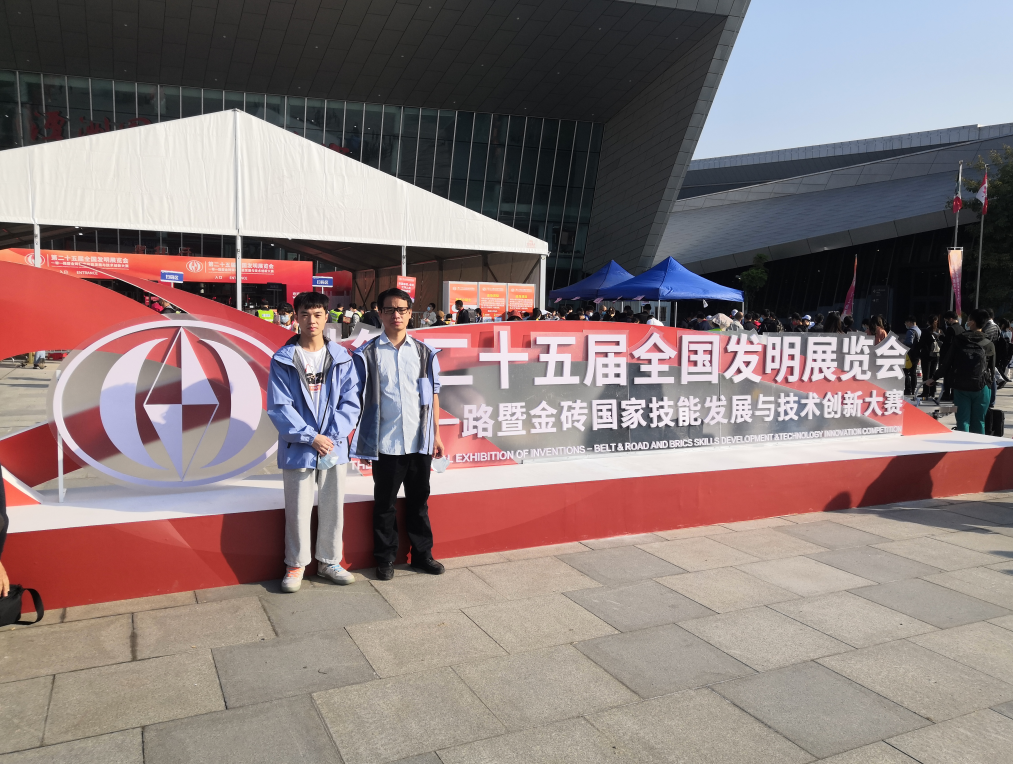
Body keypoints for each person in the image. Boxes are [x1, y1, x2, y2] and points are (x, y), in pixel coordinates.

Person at [267, 291, 362, 593]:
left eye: (318, 314)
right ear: (295, 317)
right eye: (305, 314)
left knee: (333, 507)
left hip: (333, 446)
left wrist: (330, 437)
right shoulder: (283, 359)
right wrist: (311, 437)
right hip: (299, 446)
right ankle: (296, 564)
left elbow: (351, 402)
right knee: (298, 509)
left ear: (326, 317)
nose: (312, 320)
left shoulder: (342, 358)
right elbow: (279, 407)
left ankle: (329, 561)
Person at [351, 287, 446, 581]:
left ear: (409, 313)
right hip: (386, 443)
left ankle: (422, 555)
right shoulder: (366, 354)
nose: (397, 315)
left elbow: (433, 395)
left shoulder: (424, 353)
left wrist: (437, 435)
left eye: (402, 309)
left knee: (419, 502)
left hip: (419, 441)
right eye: (390, 309)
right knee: (385, 505)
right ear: (380, 313)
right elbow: (356, 398)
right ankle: (385, 559)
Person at [930, 308, 995, 434]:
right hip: (981, 388)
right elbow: (991, 369)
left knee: (962, 421)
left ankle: (962, 444)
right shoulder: (988, 343)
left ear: (972, 322)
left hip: (961, 387)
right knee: (979, 422)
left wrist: (934, 378)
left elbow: (947, 362)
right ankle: (978, 444)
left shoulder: (959, 340)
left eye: (968, 319)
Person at [939, 310, 964, 402]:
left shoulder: (951, 329)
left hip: (949, 356)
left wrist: (940, 337)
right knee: (954, 377)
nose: (946, 322)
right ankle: (954, 394)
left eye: (946, 320)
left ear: (951, 319)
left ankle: (946, 394)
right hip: (958, 356)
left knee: (947, 376)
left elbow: (948, 343)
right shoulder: (961, 328)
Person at [919, 315, 942, 402]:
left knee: (926, 374)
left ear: (928, 322)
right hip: (936, 355)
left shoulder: (926, 331)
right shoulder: (939, 330)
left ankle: (926, 391)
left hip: (927, 355)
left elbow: (921, 343)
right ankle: (933, 391)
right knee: (933, 374)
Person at [902, 315, 922, 397]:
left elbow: (909, 343)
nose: (906, 324)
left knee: (905, 372)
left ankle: (908, 389)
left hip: (910, 354)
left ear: (909, 322)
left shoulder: (910, 331)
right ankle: (913, 390)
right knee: (913, 373)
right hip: (917, 354)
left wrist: (903, 342)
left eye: (906, 323)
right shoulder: (919, 330)